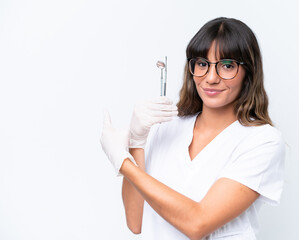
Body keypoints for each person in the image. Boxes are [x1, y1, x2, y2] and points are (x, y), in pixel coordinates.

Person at [100, 17, 285, 240]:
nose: (211, 78)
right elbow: (136, 222)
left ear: (248, 72)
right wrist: (137, 143)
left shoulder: (262, 141)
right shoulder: (167, 127)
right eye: (202, 64)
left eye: (227, 66)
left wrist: (123, 163)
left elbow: (198, 223)